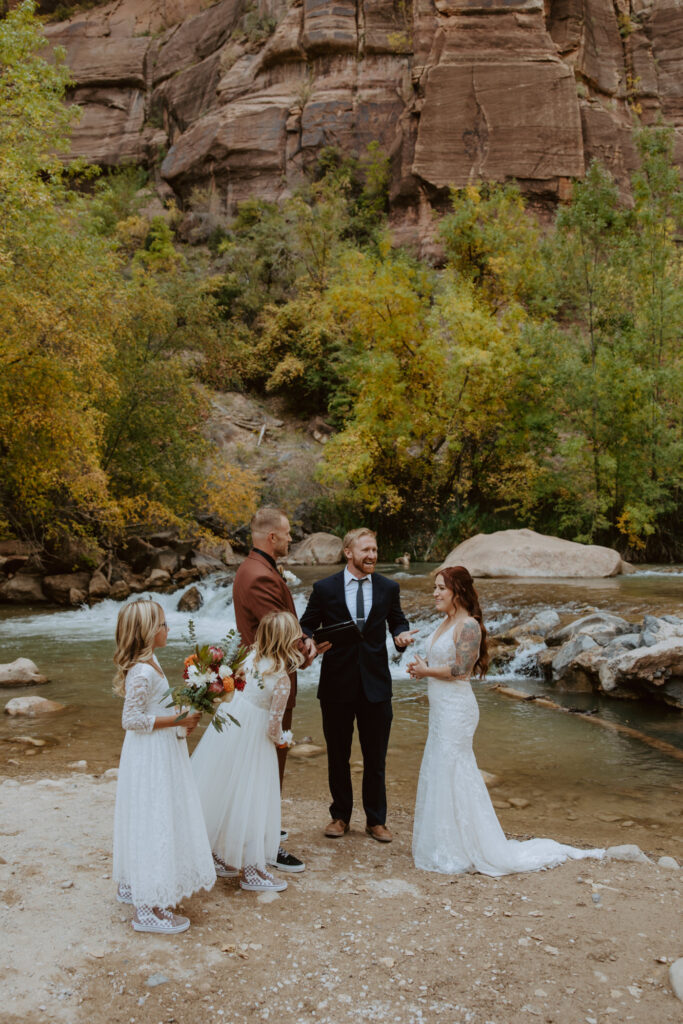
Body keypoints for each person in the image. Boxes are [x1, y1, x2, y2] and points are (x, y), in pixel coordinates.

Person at [408, 566, 605, 875]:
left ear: (457, 592)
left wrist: (426, 671)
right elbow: (442, 663)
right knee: (441, 768)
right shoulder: (445, 622)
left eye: (440, 588)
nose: (434, 593)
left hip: (457, 710)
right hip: (441, 708)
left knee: (455, 769)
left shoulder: (468, 626)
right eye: (434, 588)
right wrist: (423, 667)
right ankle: (447, 843)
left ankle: (468, 847)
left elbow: (461, 670)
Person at [300, 528, 417, 842]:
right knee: (337, 755)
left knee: (375, 757)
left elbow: (398, 621)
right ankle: (340, 817)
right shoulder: (324, 588)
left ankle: (376, 821)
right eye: (366, 550)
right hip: (336, 685)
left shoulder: (388, 587)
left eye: (375, 550)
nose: (372, 556)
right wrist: (308, 641)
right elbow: (306, 624)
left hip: (376, 686)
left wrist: (401, 637)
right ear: (348, 552)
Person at [112, 599, 216, 934]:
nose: (166, 629)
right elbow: (131, 719)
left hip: (159, 748)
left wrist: (179, 723)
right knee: (153, 817)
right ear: (146, 632)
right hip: (148, 755)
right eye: (161, 624)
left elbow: (153, 708)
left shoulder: (151, 662)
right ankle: (148, 909)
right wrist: (178, 718)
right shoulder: (142, 671)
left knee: (157, 814)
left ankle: (141, 885)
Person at [191, 611, 304, 893]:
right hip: (254, 740)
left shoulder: (248, 660)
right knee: (254, 799)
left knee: (225, 790)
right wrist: (284, 741)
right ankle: (253, 870)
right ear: (288, 641)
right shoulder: (282, 679)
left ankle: (216, 855)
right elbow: (273, 727)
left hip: (231, 726)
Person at [231, 506, 314, 873]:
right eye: (287, 533)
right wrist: (306, 650)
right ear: (272, 538)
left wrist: (305, 640)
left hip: (259, 679)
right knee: (268, 764)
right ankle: (263, 844)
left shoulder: (256, 568)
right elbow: (275, 634)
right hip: (268, 682)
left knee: (263, 764)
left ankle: (259, 830)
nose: (291, 538)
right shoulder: (259, 576)